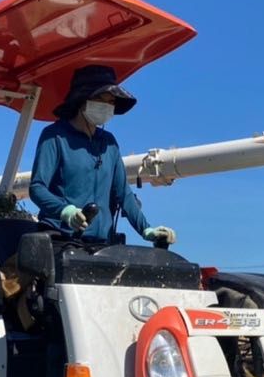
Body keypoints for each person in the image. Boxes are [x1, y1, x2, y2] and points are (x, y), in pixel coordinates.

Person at [28, 65, 175, 245]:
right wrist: (65, 212)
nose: (107, 106)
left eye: (111, 102)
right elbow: (37, 188)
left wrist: (147, 229)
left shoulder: (110, 143)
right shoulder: (55, 136)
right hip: (59, 240)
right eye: (101, 99)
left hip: (101, 245)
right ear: (81, 100)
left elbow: (124, 194)